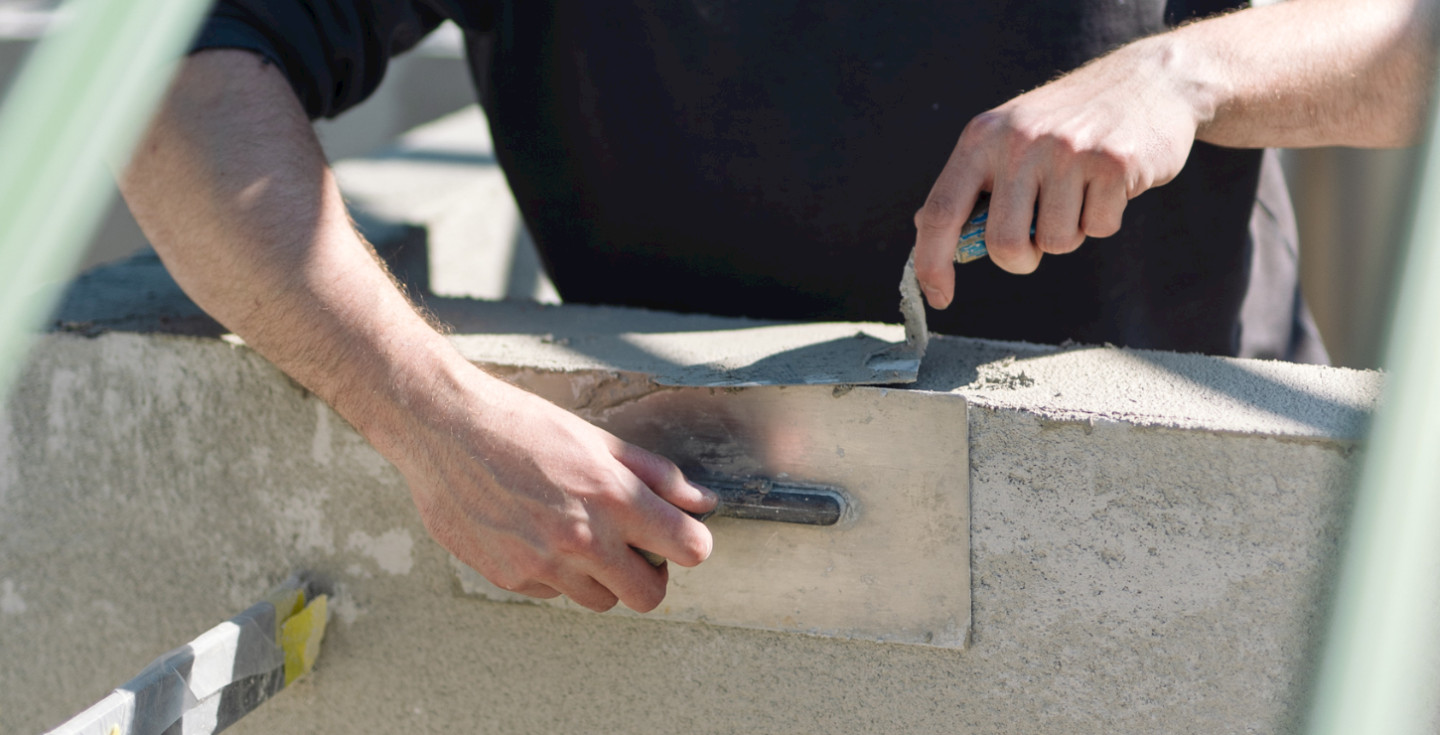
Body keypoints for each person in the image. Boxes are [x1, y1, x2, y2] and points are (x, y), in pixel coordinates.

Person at [118, 0, 1435, 614]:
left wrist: (1187, 72)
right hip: (699, 573)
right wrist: (422, 408)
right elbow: (164, 80)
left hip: (1212, 553)